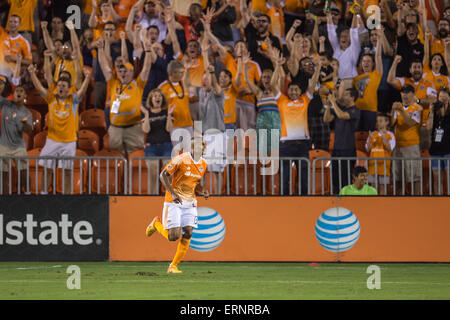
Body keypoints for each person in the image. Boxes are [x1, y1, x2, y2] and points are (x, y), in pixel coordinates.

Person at [145, 138, 209, 274]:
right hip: (174, 201)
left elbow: (195, 183)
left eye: (201, 146)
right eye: (196, 145)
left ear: (204, 148)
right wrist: (173, 193)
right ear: (191, 147)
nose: (199, 148)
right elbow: (163, 175)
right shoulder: (181, 159)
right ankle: (156, 224)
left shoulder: (204, 164)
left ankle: (173, 266)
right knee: (173, 236)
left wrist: (202, 190)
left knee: (188, 232)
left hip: (190, 202)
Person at [28, 64, 91, 194]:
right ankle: (44, 193)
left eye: (63, 86)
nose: (61, 87)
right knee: (47, 169)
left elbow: (82, 91)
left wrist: (88, 77)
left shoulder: (73, 100)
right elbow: (39, 88)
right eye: (59, 85)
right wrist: (32, 73)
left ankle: (66, 196)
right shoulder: (51, 98)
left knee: (67, 171)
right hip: (52, 140)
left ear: (69, 89)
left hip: (69, 141)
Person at [99, 35, 153, 156]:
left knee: (135, 156)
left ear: (132, 72)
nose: (122, 73)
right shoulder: (113, 83)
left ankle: (132, 176)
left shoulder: (138, 84)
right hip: (115, 129)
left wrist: (148, 51)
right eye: (120, 71)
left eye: (126, 71)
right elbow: (104, 66)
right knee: (115, 156)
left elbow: (147, 68)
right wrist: (100, 50)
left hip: (134, 128)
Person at [277, 56, 321, 195]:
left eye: (296, 90)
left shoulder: (305, 100)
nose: (294, 92)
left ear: (300, 92)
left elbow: (313, 83)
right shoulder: (282, 101)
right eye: (291, 89)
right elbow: (273, 86)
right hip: (285, 146)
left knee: (303, 177)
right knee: (284, 178)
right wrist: (278, 66)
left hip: (302, 145)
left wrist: (318, 67)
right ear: (287, 91)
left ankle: (303, 201)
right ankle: (283, 201)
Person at [323, 88, 361, 194]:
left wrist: (334, 102)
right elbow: (326, 119)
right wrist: (329, 105)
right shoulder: (340, 109)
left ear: (352, 97)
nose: (342, 97)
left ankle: (347, 199)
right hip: (337, 149)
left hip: (348, 149)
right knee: (336, 177)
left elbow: (341, 115)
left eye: (345, 95)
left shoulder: (355, 110)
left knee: (346, 177)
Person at [140, 88, 175, 194]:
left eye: (159, 96)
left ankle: (170, 196)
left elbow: (169, 129)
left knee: (167, 173)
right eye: (155, 96)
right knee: (153, 172)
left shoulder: (166, 112)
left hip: (166, 145)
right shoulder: (147, 113)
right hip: (152, 146)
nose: (157, 97)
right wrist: (146, 115)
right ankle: (152, 196)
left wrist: (169, 115)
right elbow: (146, 130)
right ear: (151, 99)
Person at [0, 86, 33, 194]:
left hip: (19, 147)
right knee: (3, 174)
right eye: (16, 91)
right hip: (4, 145)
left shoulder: (27, 113)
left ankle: (27, 195)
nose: (18, 92)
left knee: (24, 173)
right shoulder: (5, 105)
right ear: (13, 95)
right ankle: (4, 198)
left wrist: (23, 123)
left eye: (21, 91)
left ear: (25, 95)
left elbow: (29, 131)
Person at [391, 86, 422, 195]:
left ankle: (417, 200)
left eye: (407, 92)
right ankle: (399, 201)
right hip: (398, 146)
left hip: (411, 146)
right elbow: (390, 124)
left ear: (413, 94)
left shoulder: (417, 108)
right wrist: (392, 110)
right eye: (403, 92)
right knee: (398, 177)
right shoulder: (398, 108)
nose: (404, 94)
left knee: (414, 177)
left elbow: (410, 123)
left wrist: (401, 111)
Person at [426, 87, 450, 195]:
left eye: (445, 98)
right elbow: (428, 127)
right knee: (436, 178)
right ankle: (438, 200)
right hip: (435, 149)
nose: (443, 100)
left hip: (449, 149)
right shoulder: (434, 112)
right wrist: (431, 112)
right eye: (441, 98)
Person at [366, 113, 396, 195]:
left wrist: (384, 138)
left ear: (387, 122)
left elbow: (390, 148)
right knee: (373, 187)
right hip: (373, 166)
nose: (378, 123)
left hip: (384, 167)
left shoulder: (390, 135)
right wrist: (370, 140)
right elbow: (368, 149)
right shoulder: (372, 134)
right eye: (377, 121)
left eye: (381, 121)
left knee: (383, 188)